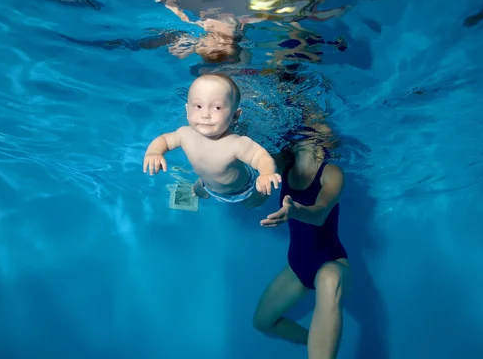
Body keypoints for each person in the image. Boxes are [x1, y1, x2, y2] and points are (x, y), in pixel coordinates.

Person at [253, 126, 350, 359]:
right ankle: (317, 341)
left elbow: (319, 214)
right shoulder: (283, 166)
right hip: (296, 268)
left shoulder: (331, 173)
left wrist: (295, 211)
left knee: (328, 279)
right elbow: (250, 151)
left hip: (331, 262)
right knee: (263, 322)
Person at [143, 73, 282, 208]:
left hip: (242, 189)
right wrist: (154, 152)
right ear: (187, 110)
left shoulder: (236, 143)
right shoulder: (184, 134)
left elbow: (261, 157)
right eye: (198, 106)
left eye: (217, 108)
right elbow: (165, 140)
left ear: (235, 115)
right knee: (198, 191)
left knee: (253, 203)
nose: (205, 115)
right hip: (207, 184)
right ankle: (201, 192)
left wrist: (266, 173)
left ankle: (260, 197)